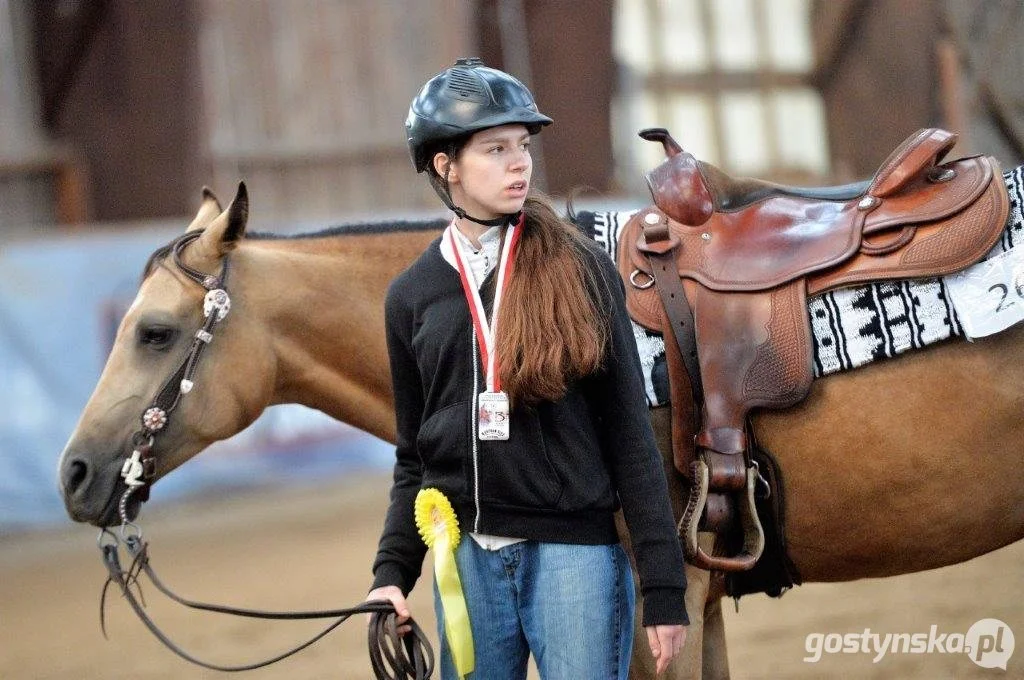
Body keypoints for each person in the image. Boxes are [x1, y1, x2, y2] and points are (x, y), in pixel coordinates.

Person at [367, 57, 688, 679]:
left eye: (522, 146)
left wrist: (664, 588)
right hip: (464, 564)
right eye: (495, 149)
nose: (520, 163)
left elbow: (629, 435)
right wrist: (390, 575)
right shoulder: (411, 296)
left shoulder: (582, 267)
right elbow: (415, 457)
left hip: (574, 560)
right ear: (446, 166)